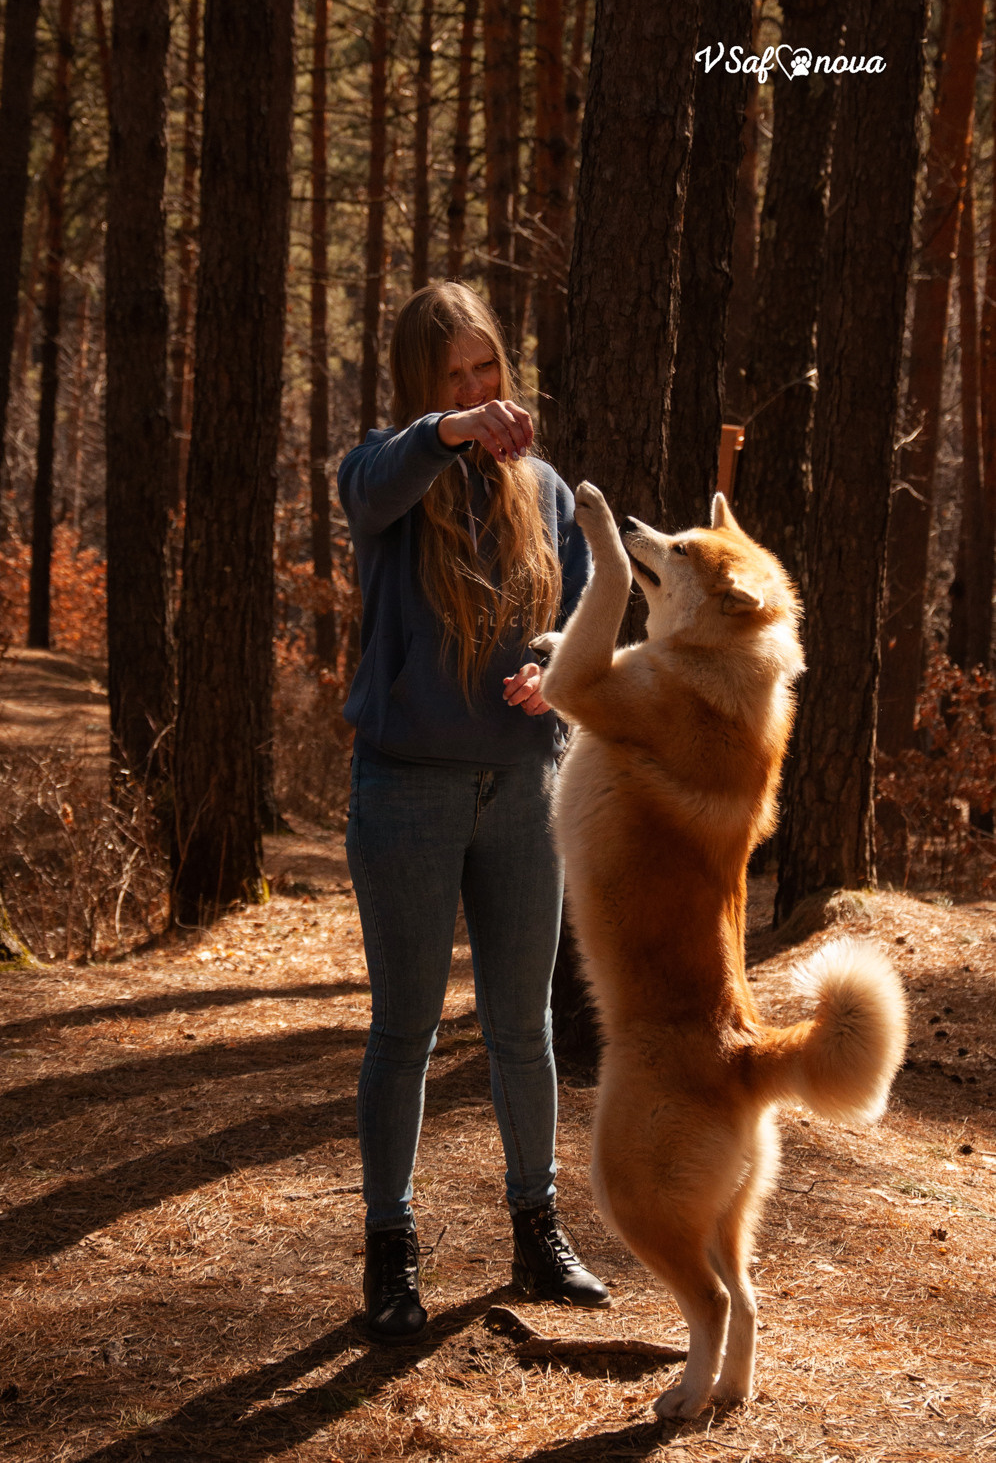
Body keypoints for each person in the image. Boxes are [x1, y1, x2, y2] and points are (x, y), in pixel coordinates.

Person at [337, 280, 610, 1342]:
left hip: (524, 789)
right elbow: (374, 481)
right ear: (420, 387)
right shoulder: (387, 473)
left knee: (523, 1030)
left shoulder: (543, 489)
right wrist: (451, 431)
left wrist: (554, 673)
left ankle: (538, 1231)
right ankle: (390, 1247)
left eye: (485, 366)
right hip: (405, 787)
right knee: (403, 1030)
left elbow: (579, 614)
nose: (474, 388)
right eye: (450, 376)